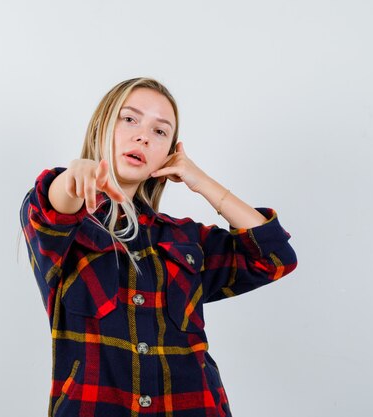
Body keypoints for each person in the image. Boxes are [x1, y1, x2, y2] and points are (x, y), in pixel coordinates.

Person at [19, 77, 297, 417]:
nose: (143, 136)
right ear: (100, 127)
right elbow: (52, 203)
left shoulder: (184, 238)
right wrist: (74, 175)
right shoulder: (64, 223)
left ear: (169, 154)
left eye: (160, 132)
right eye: (130, 119)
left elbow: (274, 257)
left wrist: (202, 181)